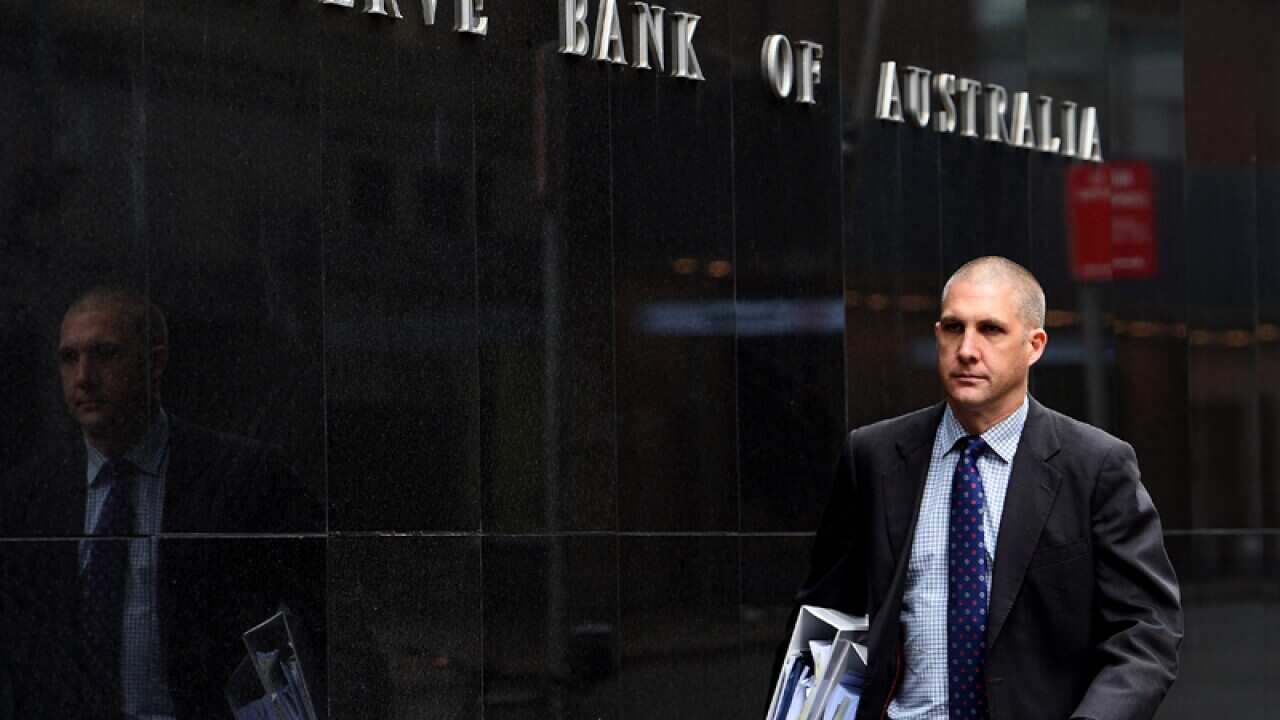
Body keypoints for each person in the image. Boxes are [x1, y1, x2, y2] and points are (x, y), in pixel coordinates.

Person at [796, 257, 1182, 720]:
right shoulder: (874, 456)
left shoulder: (1095, 465)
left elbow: (1145, 631)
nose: (967, 349)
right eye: (954, 328)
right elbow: (824, 618)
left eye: (991, 330)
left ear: (1034, 345)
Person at [0, 286, 322, 719]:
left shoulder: (243, 478)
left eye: (105, 354)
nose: (84, 377)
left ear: (155, 362)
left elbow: (318, 613)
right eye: (69, 357)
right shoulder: (28, 496)